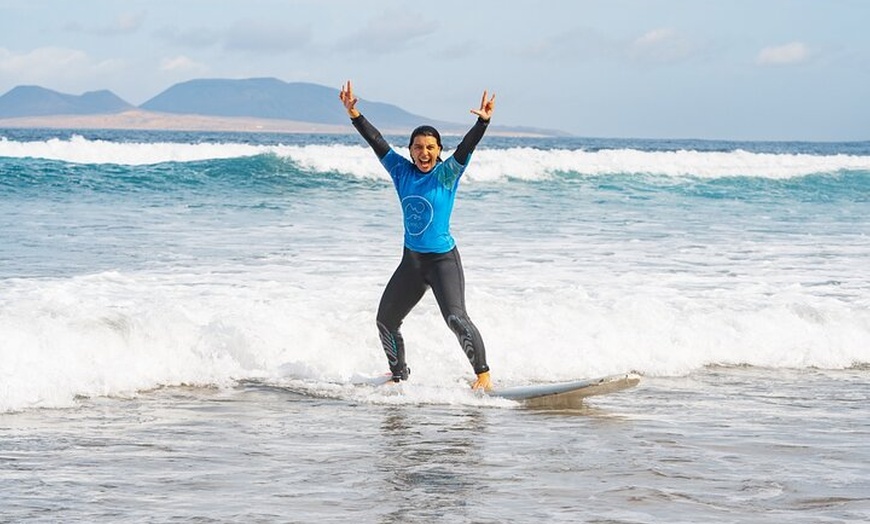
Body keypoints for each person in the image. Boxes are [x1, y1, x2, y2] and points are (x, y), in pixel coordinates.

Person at [339, 80, 495, 391]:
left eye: (430, 147)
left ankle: (483, 377)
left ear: (439, 151)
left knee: (455, 318)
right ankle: (398, 376)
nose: (424, 153)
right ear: (410, 151)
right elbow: (378, 141)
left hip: (442, 261)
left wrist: (483, 122)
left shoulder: (447, 173)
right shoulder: (401, 172)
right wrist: (354, 113)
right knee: (385, 321)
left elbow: (467, 146)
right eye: (418, 147)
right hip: (411, 262)